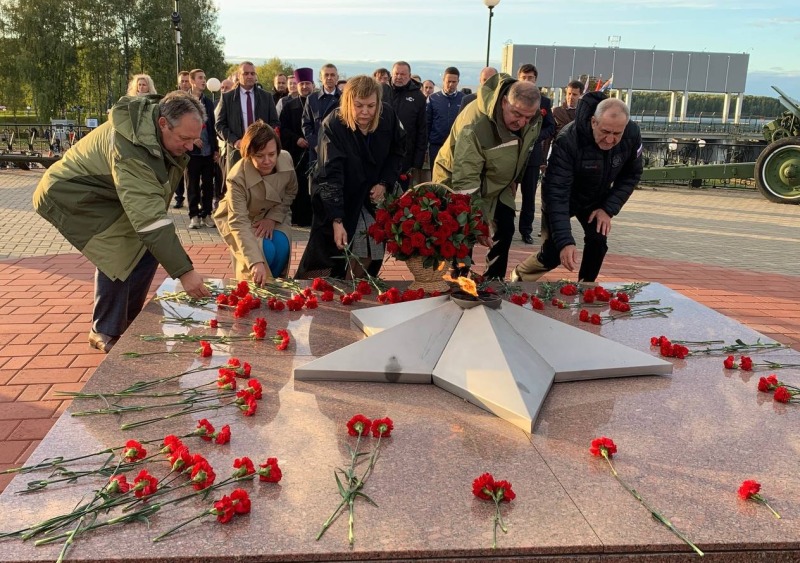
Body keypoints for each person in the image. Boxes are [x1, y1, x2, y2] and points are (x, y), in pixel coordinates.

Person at [33, 92, 212, 353]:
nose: (189, 146)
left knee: (148, 247)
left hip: (108, 191)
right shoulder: (130, 147)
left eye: (194, 139)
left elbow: (152, 209)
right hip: (74, 192)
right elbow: (150, 219)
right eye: (184, 139)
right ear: (163, 123)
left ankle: (127, 319)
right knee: (118, 248)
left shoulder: (155, 130)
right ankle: (103, 329)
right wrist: (185, 272)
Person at [510, 95, 643, 282]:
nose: (610, 140)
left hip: (596, 197)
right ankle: (520, 274)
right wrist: (566, 241)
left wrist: (608, 209)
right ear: (593, 122)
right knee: (554, 252)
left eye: (617, 134)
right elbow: (557, 193)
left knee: (598, 241)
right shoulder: (568, 139)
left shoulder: (632, 134)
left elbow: (632, 175)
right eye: (605, 131)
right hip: (563, 195)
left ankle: (585, 287)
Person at [295, 75, 405, 279]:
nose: (365, 112)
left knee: (373, 240)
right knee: (331, 250)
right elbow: (330, 174)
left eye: (371, 106)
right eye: (359, 106)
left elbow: (397, 152)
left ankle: (362, 283)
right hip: (339, 192)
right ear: (347, 103)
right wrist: (336, 219)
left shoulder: (387, 115)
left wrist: (384, 182)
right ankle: (327, 287)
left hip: (372, 192)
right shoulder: (333, 124)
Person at [433, 74, 542, 279]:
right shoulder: (475, 124)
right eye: (517, 114)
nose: (522, 122)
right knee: (465, 231)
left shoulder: (532, 119)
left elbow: (523, 150)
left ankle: (495, 281)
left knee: (506, 227)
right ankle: (460, 279)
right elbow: (466, 181)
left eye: (528, 117)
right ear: (503, 102)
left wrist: (514, 179)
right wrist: (478, 221)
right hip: (459, 180)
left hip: (497, 182)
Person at [214, 122, 298, 283]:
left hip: (274, 212)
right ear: (248, 154)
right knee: (264, 251)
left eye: (272, 154)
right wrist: (255, 262)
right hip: (243, 219)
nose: (267, 161)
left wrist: (273, 218)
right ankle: (258, 292)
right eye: (259, 156)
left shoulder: (286, 158)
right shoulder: (236, 177)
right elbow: (238, 222)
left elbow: (290, 191)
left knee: (281, 246)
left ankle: (273, 289)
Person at [215, 61, 280, 173]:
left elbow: (275, 122)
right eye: (245, 73)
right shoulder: (227, 98)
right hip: (237, 152)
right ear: (239, 76)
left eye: (252, 73)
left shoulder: (266, 97)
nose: (249, 76)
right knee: (238, 186)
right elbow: (219, 125)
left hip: (261, 152)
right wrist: (235, 141)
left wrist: (264, 141)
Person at [516, 64, 555, 244]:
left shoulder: (544, 102)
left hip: (532, 156)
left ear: (536, 80)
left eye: (531, 78)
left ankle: (526, 230)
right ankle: (504, 227)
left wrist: (537, 136)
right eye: (524, 77)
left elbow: (551, 126)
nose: (527, 80)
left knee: (529, 196)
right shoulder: (511, 99)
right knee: (506, 193)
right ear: (519, 78)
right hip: (513, 155)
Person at [279, 67, 315, 227]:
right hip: (296, 153)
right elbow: (283, 129)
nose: (305, 86)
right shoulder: (289, 106)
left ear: (313, 84)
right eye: (302, 84)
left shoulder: (318, 103)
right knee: (297, 186)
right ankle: (298, 218)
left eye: (308, 83)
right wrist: (297, 140)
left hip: (315, 152)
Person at [186, 68, 220, 229]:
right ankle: (194, 216)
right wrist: (192, 138)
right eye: (200, 78)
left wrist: (215, 149)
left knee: (208, 185)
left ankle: (206, 214)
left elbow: (212, 126)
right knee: (192, 184)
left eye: (204, 77)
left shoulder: (208, 102)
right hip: (191, 151)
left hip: (207, 151)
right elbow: (179, 124)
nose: (203, 80)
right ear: (192, 81)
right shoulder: (184, 101)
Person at [389, 61, 427, 190]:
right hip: (382, 154)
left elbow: (422, 130)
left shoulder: (419, 97)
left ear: (409, 75)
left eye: (403, 74)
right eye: (396, 74)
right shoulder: (381, 91)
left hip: (405, 156)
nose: (399, 77)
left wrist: (417, 162)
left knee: (401, 193)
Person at [302, 64, 341, 169]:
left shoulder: (344, 99)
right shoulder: (312, 99)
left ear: (337, 77)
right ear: (321, 78)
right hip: (316, 152)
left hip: (339, 150)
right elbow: (306, 125)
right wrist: (315, 145)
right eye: (326, 75)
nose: (329, 78)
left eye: (332, 75)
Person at [426, 66, 463, 166]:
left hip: (456, 146)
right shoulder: (433, 98)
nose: (450, 84)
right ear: (443, 80)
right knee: (436, 176)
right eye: (448, 81)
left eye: (454, 82)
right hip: (436, 145)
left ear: (458, 82)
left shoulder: (463, 99)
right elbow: (427, 122)